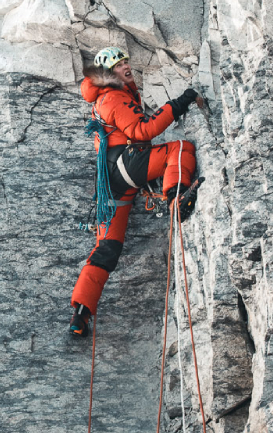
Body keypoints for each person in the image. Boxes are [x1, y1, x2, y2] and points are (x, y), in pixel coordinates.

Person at [69, 47, 200, 337]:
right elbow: (143, 132)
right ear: (108, 73)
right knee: (180, 149)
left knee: (107, 249)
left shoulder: (106, 97)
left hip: (112, 180)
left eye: (127, 61)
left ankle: (81, 313)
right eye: (120, 64)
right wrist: (178, 104)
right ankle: (176, 198)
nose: (127, 66)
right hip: (126, 165)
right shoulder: (114, 96)